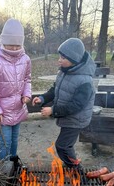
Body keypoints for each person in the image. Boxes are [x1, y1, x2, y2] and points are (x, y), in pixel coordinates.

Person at [32, 38, 96, 169]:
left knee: (63, 146)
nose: (59, 60)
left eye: (63, 58)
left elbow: (76, 105)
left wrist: (52, 110)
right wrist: (43, 98)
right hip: (67, 116)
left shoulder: (85, 81)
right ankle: (71, 165)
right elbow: (54, 90)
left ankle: (77, 170)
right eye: (59, 56)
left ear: (74, 60)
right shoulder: (64, 72)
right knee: (65, 145)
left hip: (76, 118)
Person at [0, 18, 31, 165]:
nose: (15, 49)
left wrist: (26, 94)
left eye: (18, 45)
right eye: (11, 45)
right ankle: (4, 167)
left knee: (15, 139)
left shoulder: (26, 59)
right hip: (3, 112)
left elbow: (27, 79)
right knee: (6, 142)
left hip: (18, 108)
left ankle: (13, 163)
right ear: (3, 42)